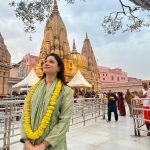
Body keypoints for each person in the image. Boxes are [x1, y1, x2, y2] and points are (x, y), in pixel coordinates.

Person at [20, 53, 74, 150]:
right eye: (45, 61)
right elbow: (24, 115)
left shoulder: (66, 91)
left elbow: (64, 121)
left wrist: (43, 145)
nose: (46, 63)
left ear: (59, 68)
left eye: (51, 61)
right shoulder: (33, 90)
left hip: (52, 145)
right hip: (29, 144)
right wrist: (26, 142)